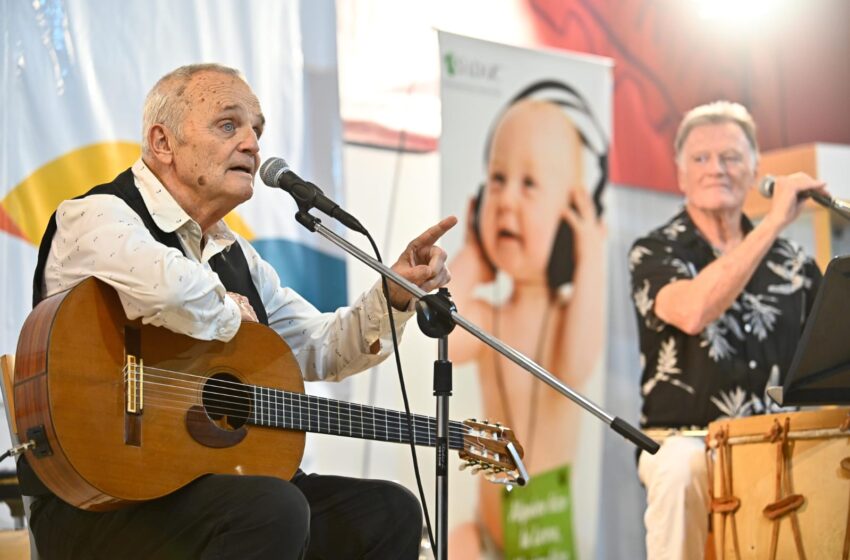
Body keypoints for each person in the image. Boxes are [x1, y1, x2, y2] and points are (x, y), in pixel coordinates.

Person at [20, 63, 457, 559]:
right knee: (273, 508)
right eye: (228, 125)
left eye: (257, 131)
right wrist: (229, 310)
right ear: (163, 143)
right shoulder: (95, 216)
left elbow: (322, 348)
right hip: (97, 502)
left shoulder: (235, 255)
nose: (251, 144)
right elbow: (166, 290)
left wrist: (393, 295)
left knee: (388, 511)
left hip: (208, 491)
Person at [629, 100, 826, 559]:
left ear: (755, 169)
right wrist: (774, 222)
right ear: (681, 173)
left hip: (780, 440)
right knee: (679, 468)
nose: (716, 168)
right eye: (701, 158)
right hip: (685, 440)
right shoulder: (654, 251)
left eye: (731, 157)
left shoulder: (795, 264)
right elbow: (693, 311)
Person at [447, 93, 607, 557]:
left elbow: (575, 368)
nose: (507, 200)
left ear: (572, 219)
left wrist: (590, 257)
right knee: (457, 542)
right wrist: (473, 256)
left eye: (530, 183)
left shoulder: (566, 319)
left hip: (547, 540)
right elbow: (445, 340)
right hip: (488, 532)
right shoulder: (488, 318)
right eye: (498, 180)